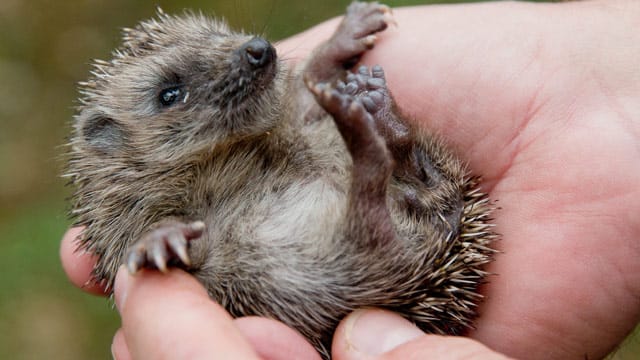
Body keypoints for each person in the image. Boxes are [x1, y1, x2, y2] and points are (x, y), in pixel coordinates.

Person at [60, 0, 640, 359]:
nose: (250, 51)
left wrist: (326, 59)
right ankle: (378, 157)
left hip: (365, 216)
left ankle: (380, 161)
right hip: (345, 263)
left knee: (305, 118)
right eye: (173, 94)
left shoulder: (267, 117)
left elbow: (300, 106)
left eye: (223, 39)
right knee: (250, 262)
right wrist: (158, 240)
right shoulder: (142, 202)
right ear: (111, 141)